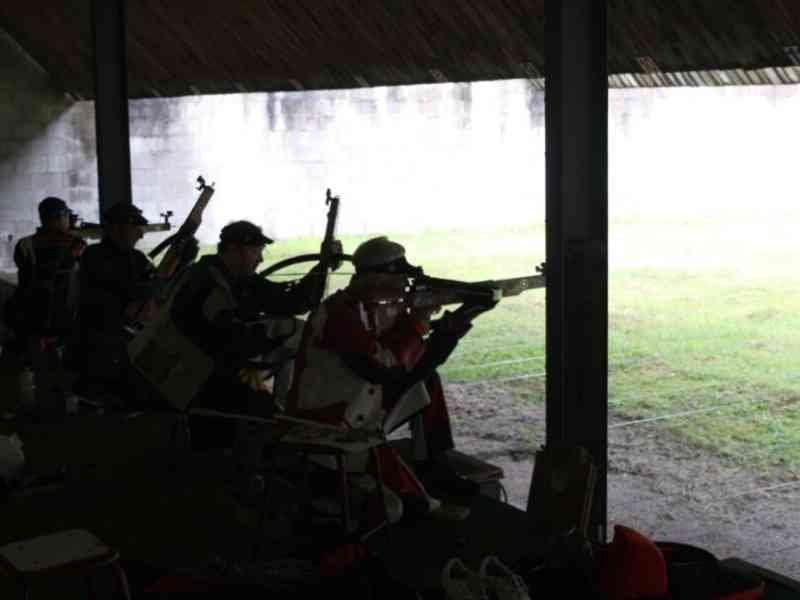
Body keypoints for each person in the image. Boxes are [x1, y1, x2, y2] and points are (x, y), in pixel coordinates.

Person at [285, 236, 491, 525]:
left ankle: (434, 461)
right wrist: (418, 320)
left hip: (357, 409)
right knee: (399, 509)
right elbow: (380, 367)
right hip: (326, 422)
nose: (405, 285)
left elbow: (419, 364)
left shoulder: (377, 308)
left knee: (427, 380)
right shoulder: (337, 313)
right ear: (379, 277)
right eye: (400, 278)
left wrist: (462, 318)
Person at [162, 220, 339, 453]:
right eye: (256, 250)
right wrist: (279, 329)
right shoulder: (206, 281)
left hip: (221, 372)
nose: (260, 259)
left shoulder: (239, 279)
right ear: (234, 249)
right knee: (266, 424)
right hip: (199, 381)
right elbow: (232, 340)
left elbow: (291, 301)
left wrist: (322, 264)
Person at [73, 201, 196, 403]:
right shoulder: (95, 256)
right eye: (136, 228)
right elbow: (135, 289)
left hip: (127, 340)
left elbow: (160, 292)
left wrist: (182, 262)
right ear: (116, 228)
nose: (141, 234)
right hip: (103, 345)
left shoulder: (136, 258)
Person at [3, 196, 86, 415]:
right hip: (60, 318)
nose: (69, 220)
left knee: (42, 373)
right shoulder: (74, 245)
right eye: (67, 216)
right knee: (60, 372)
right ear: (59, 217)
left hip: (32, 318)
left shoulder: (25, 243)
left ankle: (44, 410)